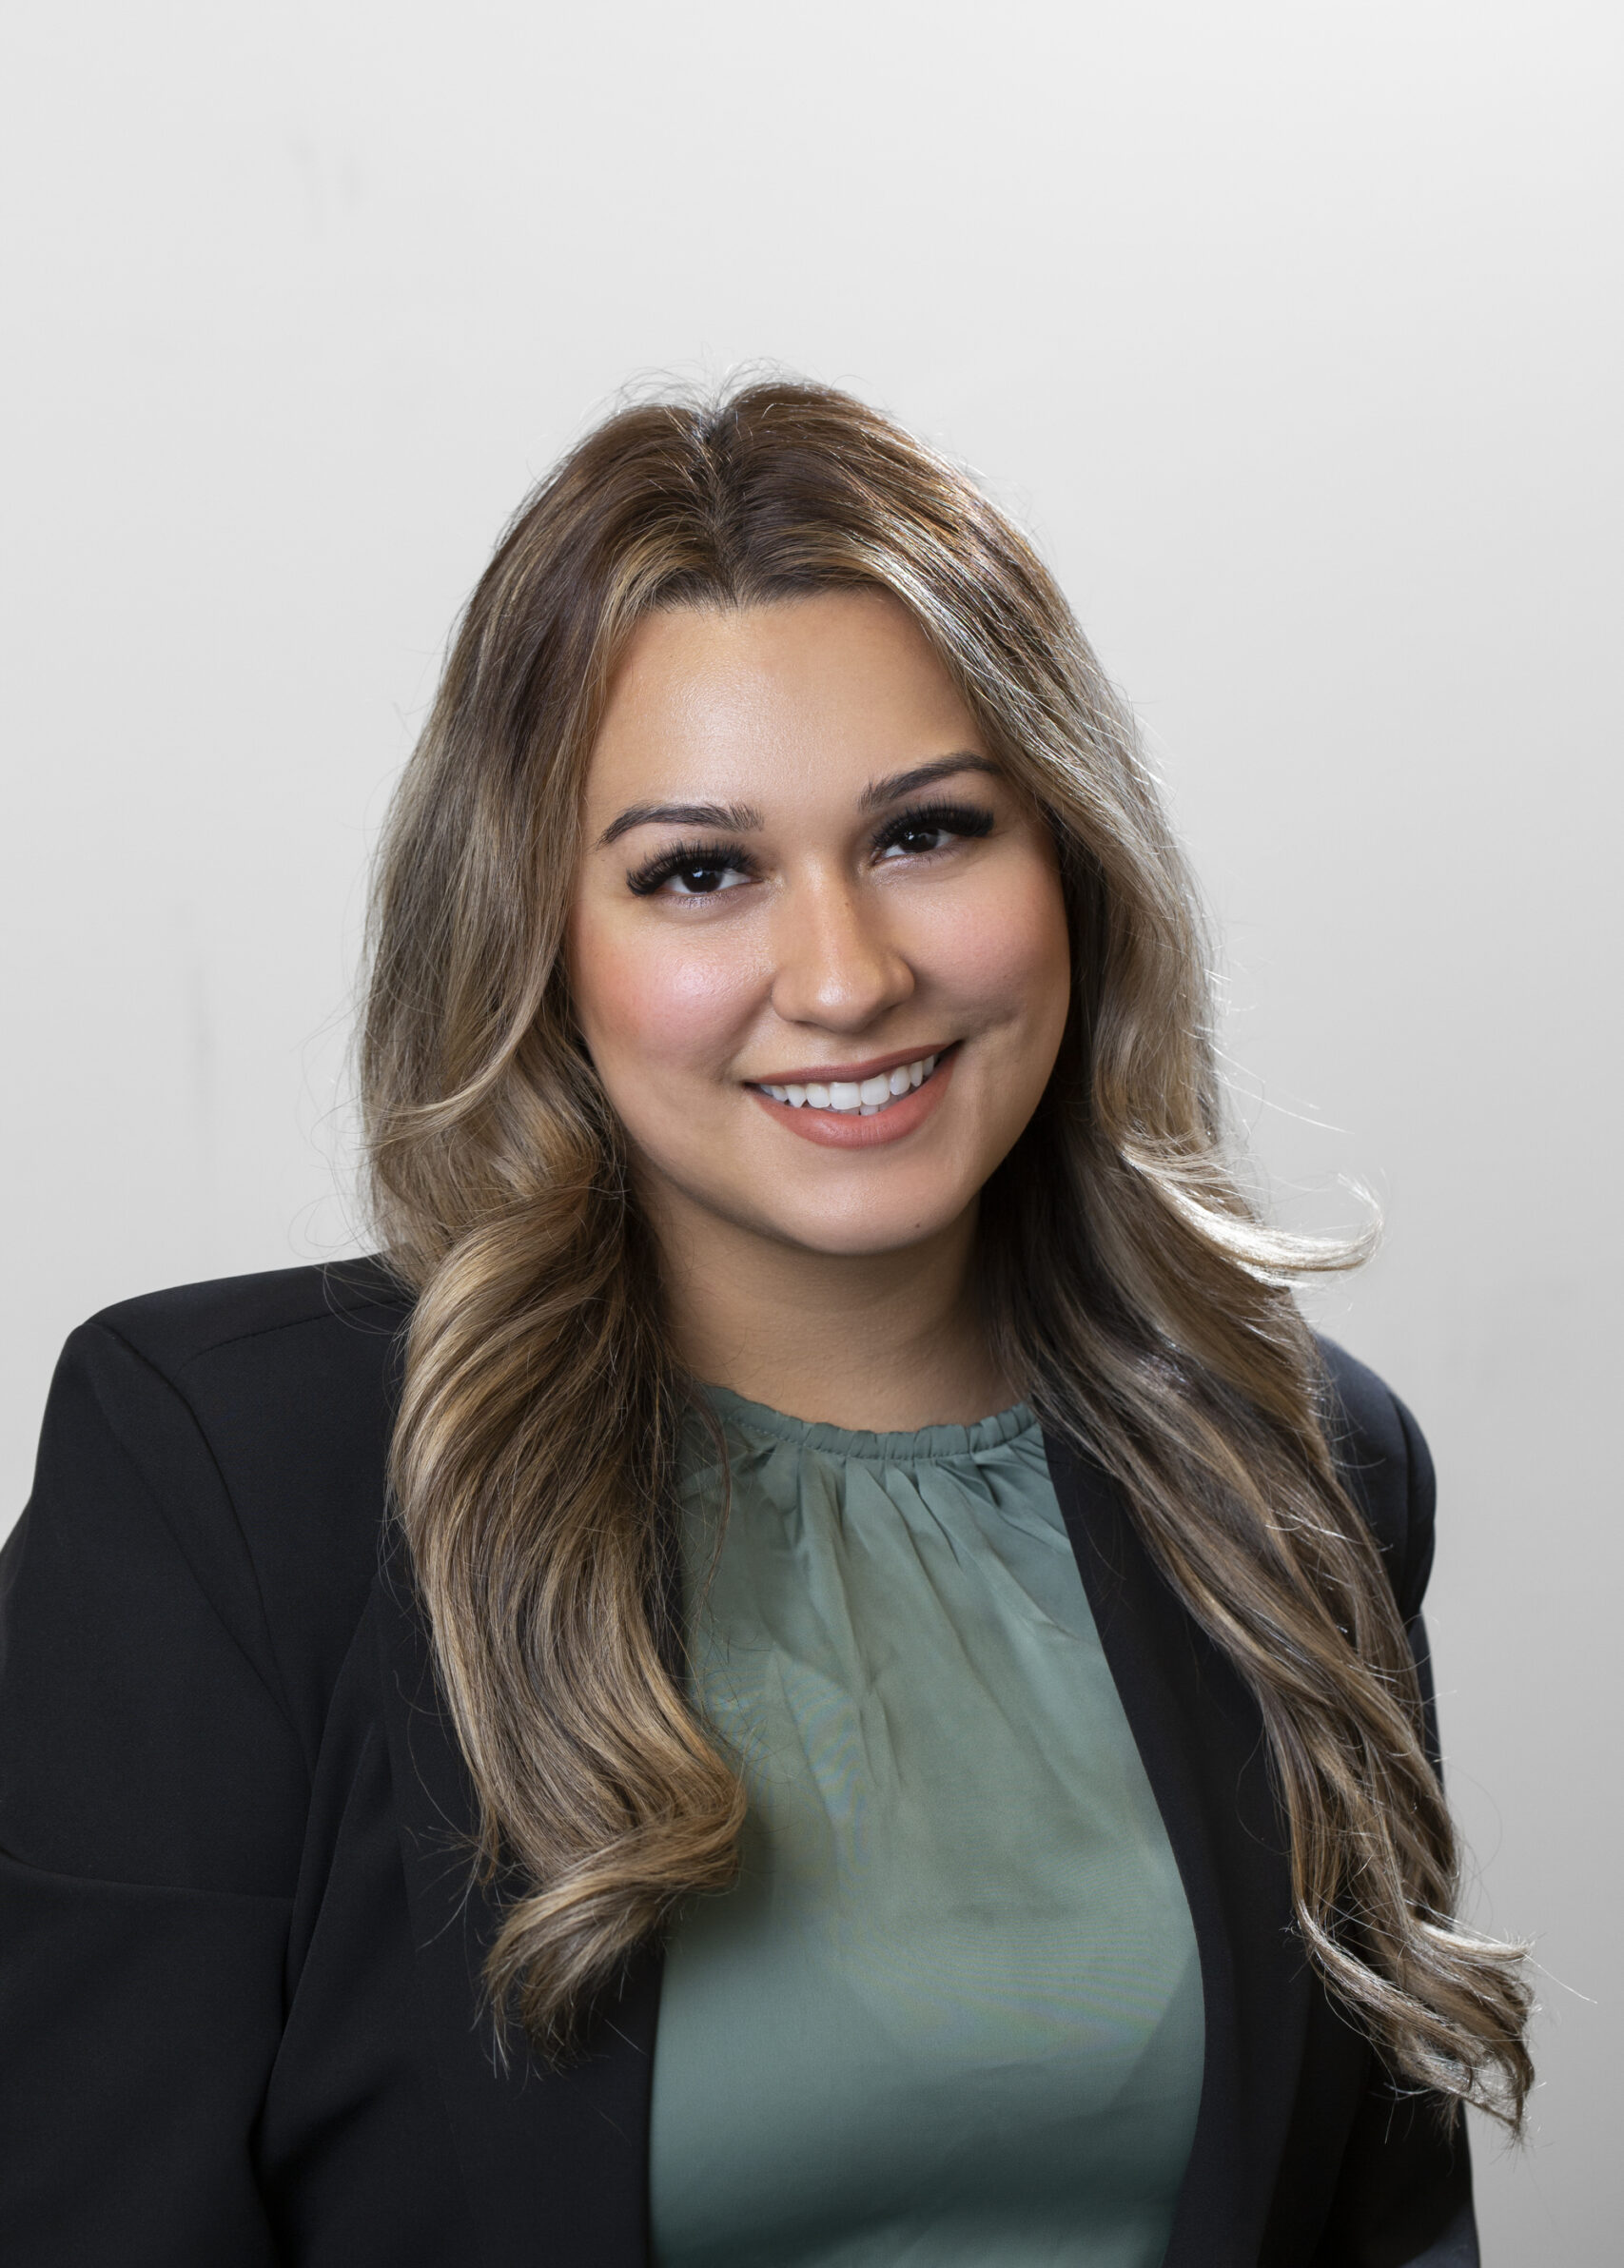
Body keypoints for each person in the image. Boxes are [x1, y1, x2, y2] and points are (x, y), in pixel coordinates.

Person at [0, 381, 1531, 2267]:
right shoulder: (229, 1485)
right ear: (536, 939)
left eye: (926, 831)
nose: (843, 973)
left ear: (1067, 860)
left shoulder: (1295, 1460)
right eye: (698, 870)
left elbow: (1385, 2229)